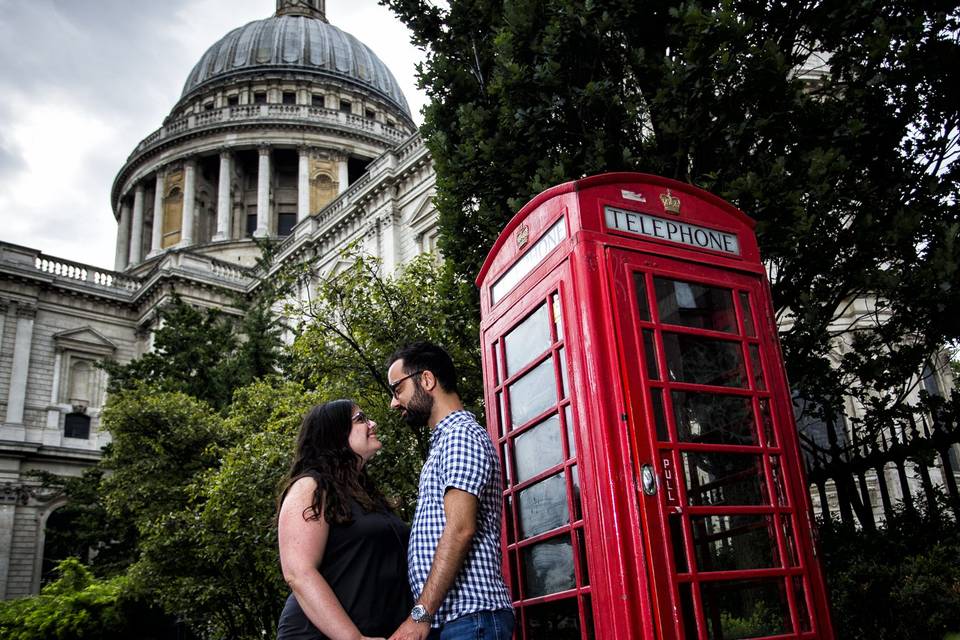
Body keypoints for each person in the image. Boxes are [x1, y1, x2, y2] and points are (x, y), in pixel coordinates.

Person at [386, 342, 513, 640]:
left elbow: (460, 529)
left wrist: (421, 613)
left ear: (427, 380)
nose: (394, 403)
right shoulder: (445, 442)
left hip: (472, 618)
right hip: (460, 620)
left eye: (397, 389)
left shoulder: (460, 437)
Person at [277, 400, 412, 640]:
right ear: (335, 435)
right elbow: (298, 572)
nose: (373, 423)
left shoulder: (364, 494)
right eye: (361, 419)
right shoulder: (310, 486)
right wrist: (353, 638)